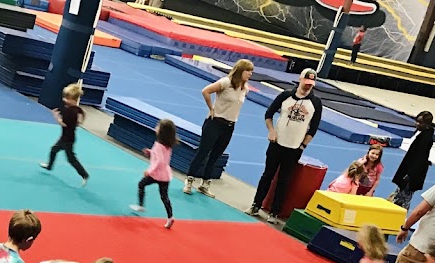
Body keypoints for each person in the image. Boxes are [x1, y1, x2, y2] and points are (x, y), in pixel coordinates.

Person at [248, 68, 322, 225]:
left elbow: (314, 128)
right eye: (306, 82)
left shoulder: (315, 103)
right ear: (300, 79)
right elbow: (268, 114)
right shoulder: (285, 96)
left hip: (294, 148)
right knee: (267, 175)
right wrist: (271, 131)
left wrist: (303, 145)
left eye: (311, 84)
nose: (308, 86)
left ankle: (275, 211)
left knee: (284, 181)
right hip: (277, 143)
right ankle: (256, 205)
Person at [183, 59, 253, 197]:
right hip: (215, 123)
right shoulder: (226, 82)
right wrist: (211, 109)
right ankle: (189, 180)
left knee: (215, 156)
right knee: (203, 152)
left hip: (229, 126)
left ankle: (205, 184)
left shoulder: (245, 88)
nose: (250, 74)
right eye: (248, 71)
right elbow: (206, 91)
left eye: (252, 71)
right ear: (240, 70)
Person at [130, 119, 177, 229]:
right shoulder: (168, 145)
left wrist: (149, 171)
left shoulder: (158, 145)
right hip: (165, 175)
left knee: (141, 184)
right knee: (164, 196)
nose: (156, 128)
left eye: (158, 126)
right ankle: (170, 217)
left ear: (162, 131)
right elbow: (161, 158)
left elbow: (159, 161)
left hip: (156, 174)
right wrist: (151, 152)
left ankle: (140, 205)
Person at [39, 83, 88, 187]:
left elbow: (64, 124)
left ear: (73, 99)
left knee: (71, 159)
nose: (64, 100)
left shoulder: (69, 111)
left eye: (67, 98)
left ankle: (84, 175)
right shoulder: (76, 109)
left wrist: (56, 117)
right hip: (67, 137)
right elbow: (82, 115)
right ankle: (49, 166)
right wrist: (79, 122)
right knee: (54, 149)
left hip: (67, 140)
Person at [389, 111, 434, 209]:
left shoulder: (426, 138)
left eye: (420, 122)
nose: (417, 124)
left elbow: (420, 158)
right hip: (411, 170)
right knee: (400, 195)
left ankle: (399, 214)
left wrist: (409, 175)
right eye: (417, 121)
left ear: (427, 124)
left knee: (403, 198)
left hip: (412, 174)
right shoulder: (423, 134)